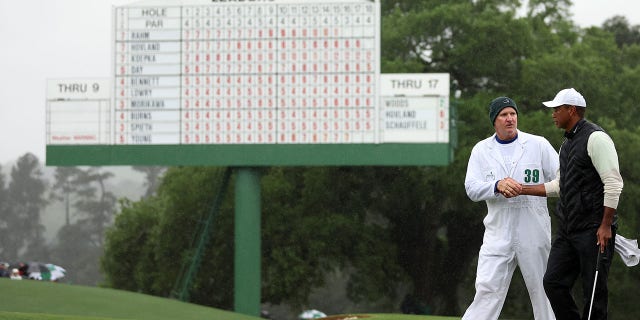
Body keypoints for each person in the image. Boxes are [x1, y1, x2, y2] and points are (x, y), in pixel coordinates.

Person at [518, 88, 623, 320]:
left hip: (594, 229)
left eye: (557, 109)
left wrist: (605, 226)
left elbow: (614, 183)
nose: (553, 114)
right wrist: (522, 189)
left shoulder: (596, 138)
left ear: (571, 110)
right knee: (553, 282)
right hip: (568, 230)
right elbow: (559, 186)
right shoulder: (566, 144)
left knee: (594, 293)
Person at [462, 96, 559, 320]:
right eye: (504, 115)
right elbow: (472, 188)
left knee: (544, 292)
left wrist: (529, 188)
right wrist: (496, 185)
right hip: (498, 233)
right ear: (494, 121)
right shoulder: (481, 150)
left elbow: (563, 179)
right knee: (487, 291)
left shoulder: (538, 144)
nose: (510, 119)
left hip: (533, 231)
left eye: (512, 114)